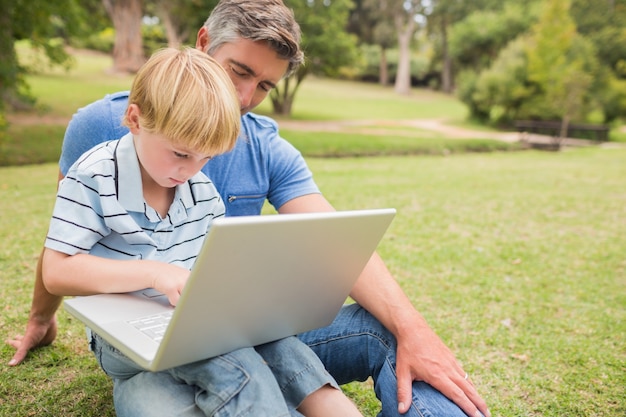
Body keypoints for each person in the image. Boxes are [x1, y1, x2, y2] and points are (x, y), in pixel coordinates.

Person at [7, 1, 490, 416]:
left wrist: (414, 330)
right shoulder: (101, 129)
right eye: (239, 71)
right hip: (144, 330)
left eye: (263, 86)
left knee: (372, 331)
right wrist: (40, 320)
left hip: (224, 318)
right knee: (201, 382)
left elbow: (331, 240)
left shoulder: (259, 150)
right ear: (203, 42)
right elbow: (63, 246)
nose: (244, 98)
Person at [40, 46, 363, 417]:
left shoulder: (200, 191)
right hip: (123, 333)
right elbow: (56, 271)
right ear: (134, 118)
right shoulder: (94, 175)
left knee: (283, 348)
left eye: (206, 157)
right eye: (180, 154)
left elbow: (210, 269)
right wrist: (155, 273)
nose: (191, 170)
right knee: (236, 363)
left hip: (188, 320)